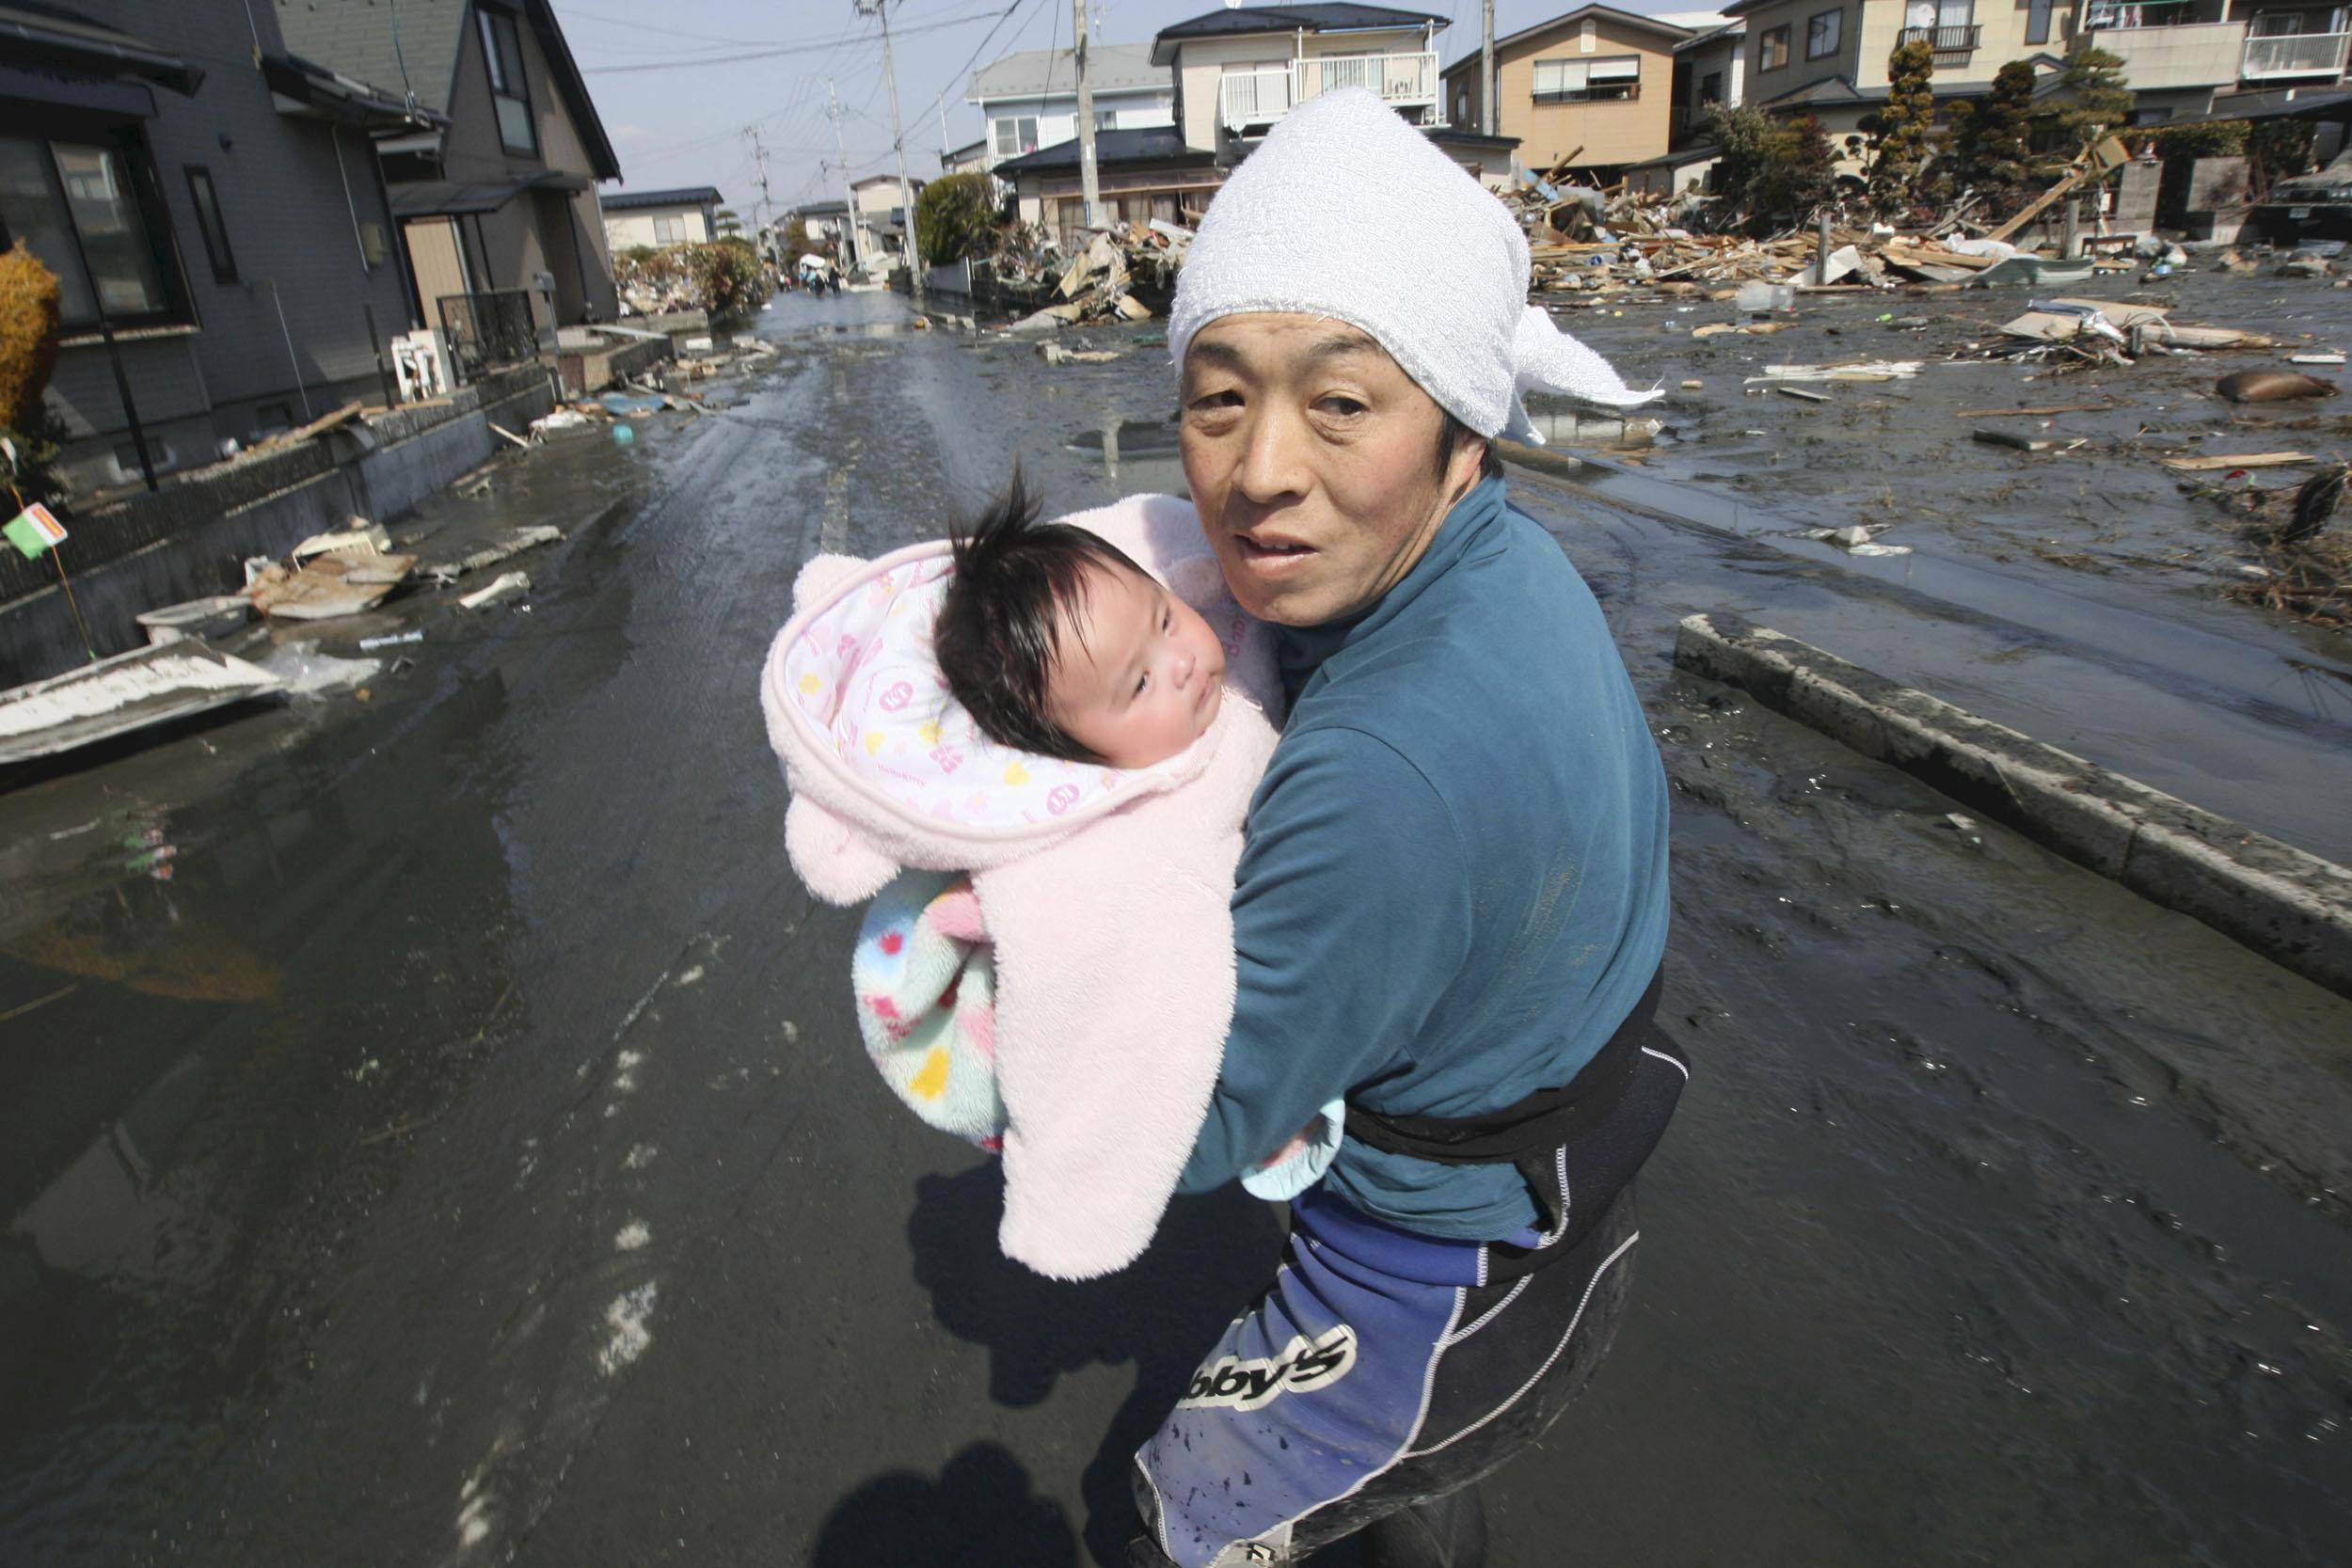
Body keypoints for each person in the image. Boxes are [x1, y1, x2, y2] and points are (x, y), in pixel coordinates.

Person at [1124, 88, 1687, 1568]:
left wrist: (995, 978)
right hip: (1581, 1107)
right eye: (1220, 394)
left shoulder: (1378, 770)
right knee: (1408, 1493)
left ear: (1459, 425)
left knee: (1179, 1515)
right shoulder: (1500, 558)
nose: (1259, 473)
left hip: (1435, 1250)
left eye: (1343, 401)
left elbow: (1180, 1132)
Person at [759, 488, 1341, 1282]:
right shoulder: (1121, 848)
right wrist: (1075, 1204)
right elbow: (1106, 1032)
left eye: (1166, 619)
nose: (1181, 663)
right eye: (1137, 687)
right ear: (1071, 753)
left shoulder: (1191, 622)